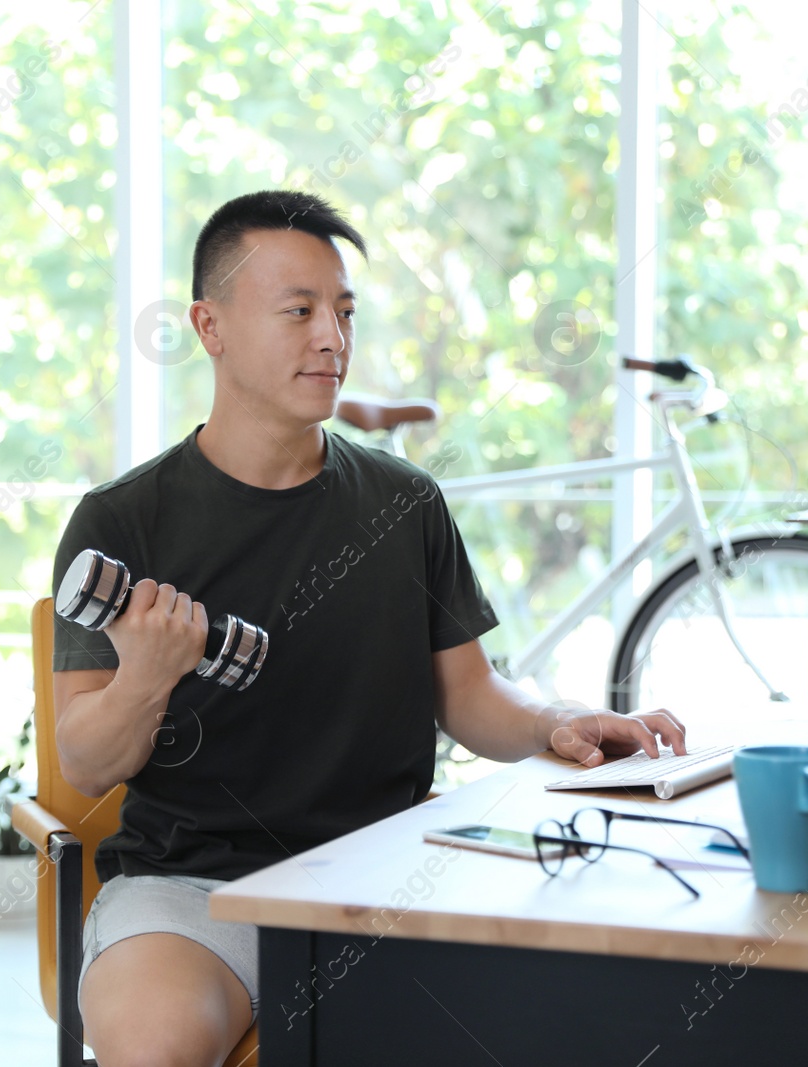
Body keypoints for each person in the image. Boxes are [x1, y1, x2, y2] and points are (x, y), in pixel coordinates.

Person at [50, 189, 687, 1066]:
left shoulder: (405, 503)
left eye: (344, 312)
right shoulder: (122, 520)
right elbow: (84, 765)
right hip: (192, 890)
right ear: (210, 326)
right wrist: (146, 675)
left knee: (587, 1011)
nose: (332, 339)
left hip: (386, 874)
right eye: (299, 311)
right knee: (153, 1048)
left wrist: (554, 723)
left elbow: (469, 694)